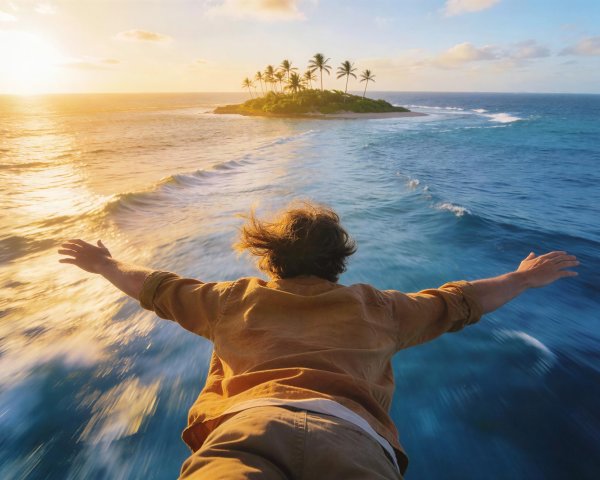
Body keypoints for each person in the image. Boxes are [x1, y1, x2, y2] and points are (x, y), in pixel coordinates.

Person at [58, 201, 579, 480]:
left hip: (247, 430)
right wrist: (520, 279)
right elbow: (457, 301)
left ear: (269, 259)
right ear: (340, 261)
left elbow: (154, 286)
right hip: (353, 439)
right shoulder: (381, 308)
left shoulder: (230, 299)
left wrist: (104, 263)